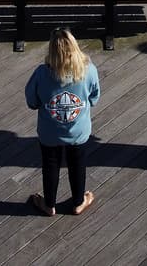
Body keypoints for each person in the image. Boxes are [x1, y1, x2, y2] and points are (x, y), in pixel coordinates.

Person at [24, 28, 100, 216]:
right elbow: (94, 98)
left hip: (50, 132)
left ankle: (49, 204)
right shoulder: (88, 70)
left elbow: (32, 101)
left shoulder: (41, 73)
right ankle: (78, 202)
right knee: (77, 165)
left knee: (50, 165)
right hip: (78, 131)